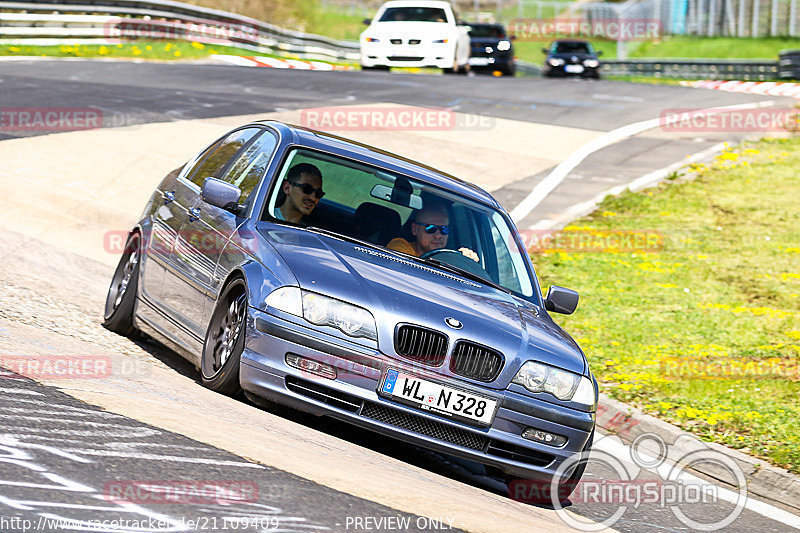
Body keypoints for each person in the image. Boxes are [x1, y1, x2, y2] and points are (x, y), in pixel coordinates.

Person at [387, 200, 478, 261]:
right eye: (430, 228)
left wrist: (466, 261)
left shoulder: (452, 258)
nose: (438, 235)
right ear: (415, 229)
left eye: (444, 229)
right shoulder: (400, 246)